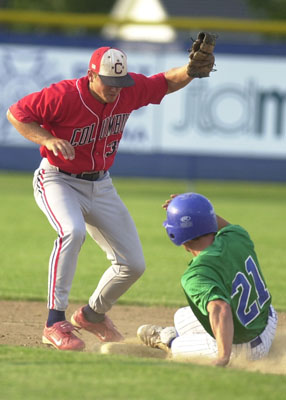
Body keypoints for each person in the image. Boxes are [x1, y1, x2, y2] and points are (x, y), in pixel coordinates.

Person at [6, 44, 214, 351]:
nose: (116, 89)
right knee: (72, 232)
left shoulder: (126, 91)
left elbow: (165, 82)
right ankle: (53, 322)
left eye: (121, 82)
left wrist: (190, 71)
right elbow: (17, 113)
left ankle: (92, 315)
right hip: (58, 179)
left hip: (101, 184)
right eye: (109, 82)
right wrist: (47, 138)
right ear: (91, 75)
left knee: (133, 263)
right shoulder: (64, 95)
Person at [137, 193, 277, 366]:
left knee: (180, 346)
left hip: (246, 350)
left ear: (175, 234)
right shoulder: (237, 235)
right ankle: (191, 337)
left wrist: (223, 356)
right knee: (181, 317)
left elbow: (220, 307)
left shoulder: (196, 275)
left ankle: (170, 340)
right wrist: (193, 208)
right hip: (268, 320)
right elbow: (214, 223)